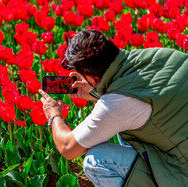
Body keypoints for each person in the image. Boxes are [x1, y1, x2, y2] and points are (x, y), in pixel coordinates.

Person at [39, 29, 188, 187]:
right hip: (179, 140)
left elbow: (68, 148)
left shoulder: (117, 105)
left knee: (96, 160)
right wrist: (96, 92)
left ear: (90, 76)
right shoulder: (158, 55)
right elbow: (147, 94)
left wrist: (54, 114)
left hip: (182, 169)